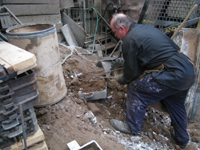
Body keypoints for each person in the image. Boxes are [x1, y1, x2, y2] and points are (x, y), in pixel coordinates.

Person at [109, 13, 195, 149]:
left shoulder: (129, 39)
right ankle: (182, 139)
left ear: (121, 28)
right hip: (187, 70)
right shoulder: (145, 29)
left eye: (114, 32)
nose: (115, 36)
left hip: (172, 72)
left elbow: (132, 73)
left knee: (135, 87)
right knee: (176, 103)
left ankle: (132, 127)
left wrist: (122, 79)